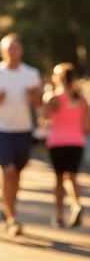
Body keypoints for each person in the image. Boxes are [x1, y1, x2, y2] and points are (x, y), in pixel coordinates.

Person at [0, 33, 42, 236]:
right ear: (2, 51)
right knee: (8, 170)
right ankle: (11, 218)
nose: (13, 51)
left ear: (21, 50)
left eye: (16, 47)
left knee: (17, 173)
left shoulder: (31, 73)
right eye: (9, 48)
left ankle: (8, 210)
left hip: (23, 129)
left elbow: (39, 103)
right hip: (1, 129)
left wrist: (34, 96)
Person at [43, 63, 88, 228]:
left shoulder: (52, 97)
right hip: (77, 141)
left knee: (59, 179)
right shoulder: (80, 99)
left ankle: (59, 215)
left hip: (57, 142)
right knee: (72, 176)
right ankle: (76, 203)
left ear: (57, 78)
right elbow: (87, 125)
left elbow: (44, 119)